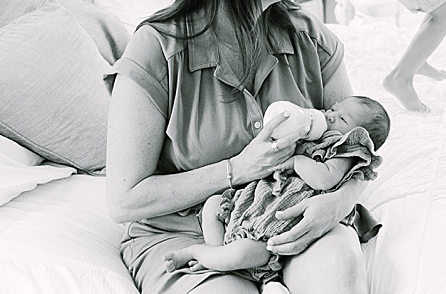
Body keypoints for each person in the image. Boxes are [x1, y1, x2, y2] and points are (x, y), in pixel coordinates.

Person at [106, 0, 379, 294]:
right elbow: (124, 199)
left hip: (290, 216)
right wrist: (237, 170)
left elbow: (357, 147)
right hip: (187, 237)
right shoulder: (157, 49)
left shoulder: (308, 37)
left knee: (339, 261)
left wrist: (338, 203)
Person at [164, 97, 390, 290]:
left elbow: (325, 178)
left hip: (273, 223)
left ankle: (199, 253)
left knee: (241, 254)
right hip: (257, 200)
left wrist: (297, 161)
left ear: (360, 137)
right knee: (213, 204)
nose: (330, 115)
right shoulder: (312, 134)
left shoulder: (343, 150)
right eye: (333, 109)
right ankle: (216, 254)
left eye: (342, 119)